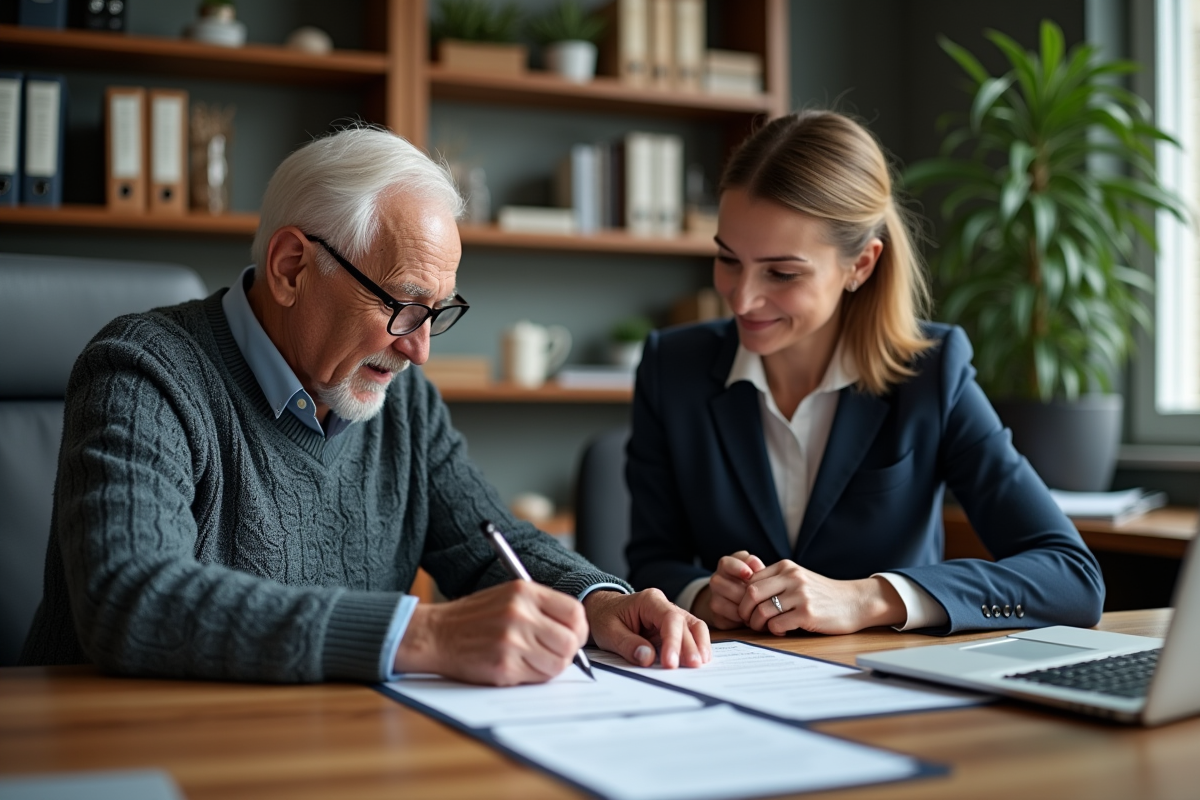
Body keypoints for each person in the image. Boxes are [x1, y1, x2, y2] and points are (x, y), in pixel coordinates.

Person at [21, 126, 710, 684]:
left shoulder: (402, 402)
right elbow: (131, 599)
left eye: (438, 314)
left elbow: (491, 544)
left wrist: (600, 601)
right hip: (123, 751)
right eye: (405, 307)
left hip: (325, 749)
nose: (420, 352)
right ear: (293, 268)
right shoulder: (143, 369)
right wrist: (424, 632)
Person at [625, 110, 1105, 637]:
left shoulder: (932, 373)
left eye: (781, 273)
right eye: (728, 259)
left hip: (887, 693)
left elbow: (1072, 579)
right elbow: (652, 562)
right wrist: (703, 597)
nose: (742, 297)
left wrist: (868, 598)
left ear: (861, 265)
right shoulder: (672, 367)